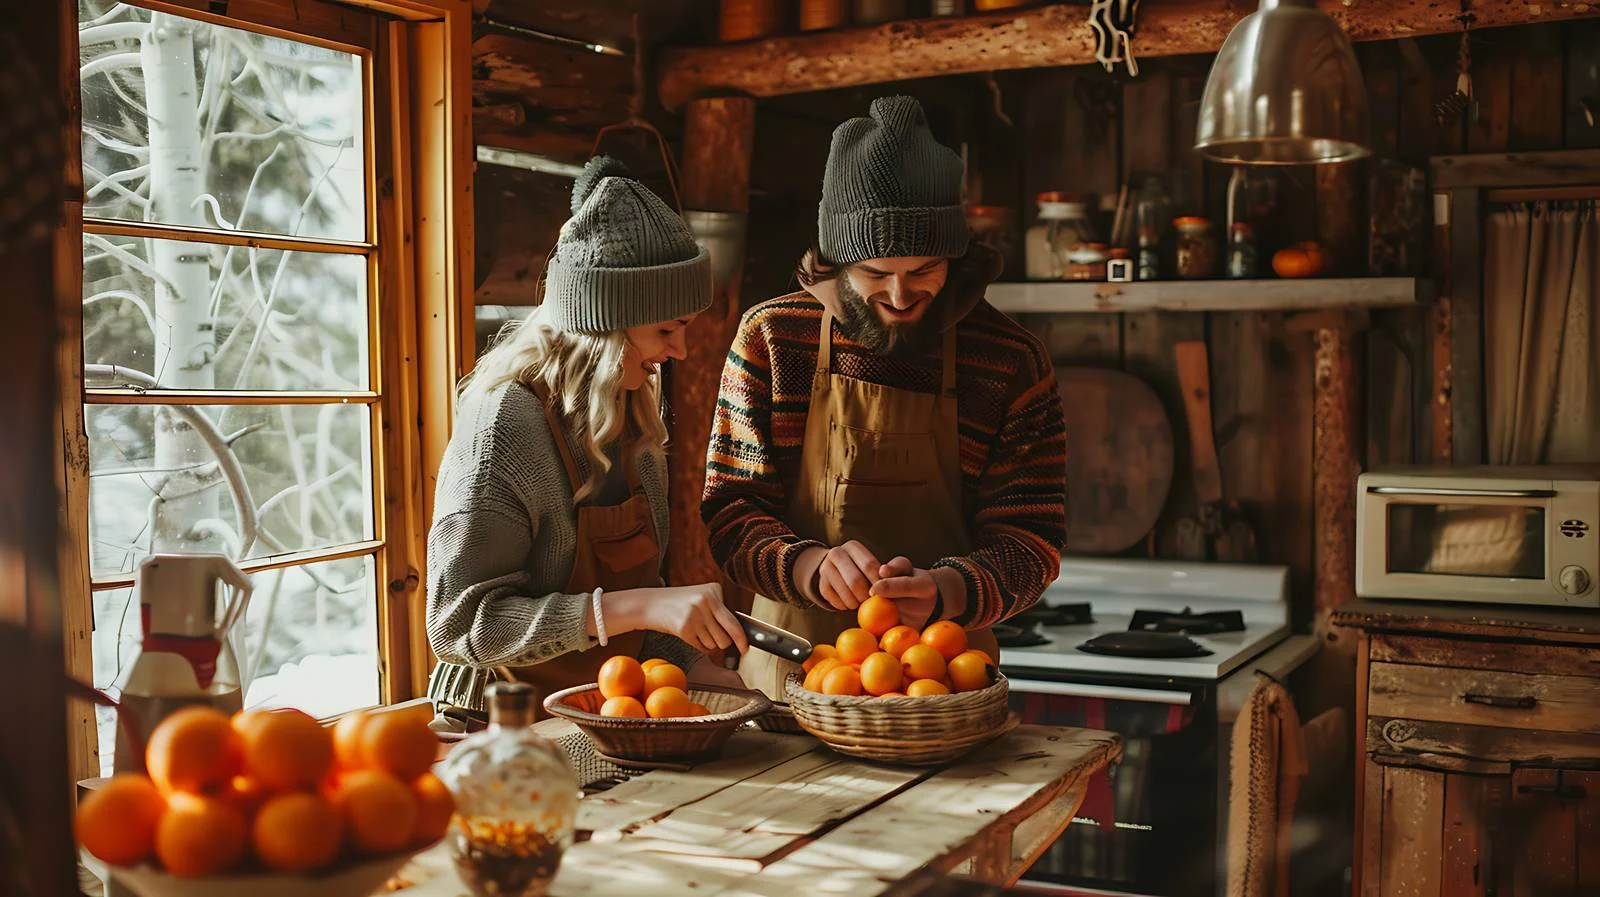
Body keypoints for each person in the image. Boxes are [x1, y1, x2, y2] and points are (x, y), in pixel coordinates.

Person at [702, 96, 1069, 699]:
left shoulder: (1009, 361)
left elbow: (1032, 539)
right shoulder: (773, 339)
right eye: (874, 272)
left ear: (955, 256)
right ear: (836, 260)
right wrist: (806, 565)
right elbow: (730, 513)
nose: (901, 295)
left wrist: (950, 589)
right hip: (787, 689)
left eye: (925, 269)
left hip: (942, 688)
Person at [426, 157, 748, 726]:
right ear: (603, 325)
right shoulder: (504, 424)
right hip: (498, 724)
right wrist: (644, 605)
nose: (681, 352)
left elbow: (640, 614)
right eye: (665, 330)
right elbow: (458, 627)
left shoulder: (631, 412)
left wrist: (699, 670)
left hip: (608, 709)